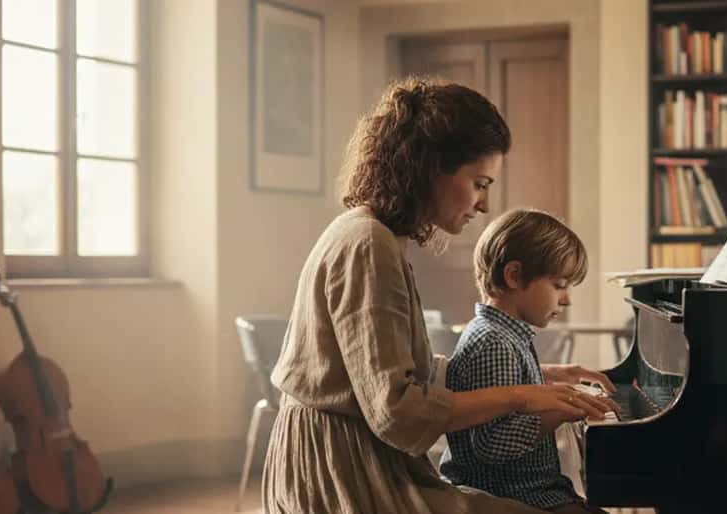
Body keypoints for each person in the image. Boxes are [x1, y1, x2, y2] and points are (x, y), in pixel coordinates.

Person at [261, 77, 618, 514]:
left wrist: (539, 376)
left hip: (356, 452)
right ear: (432, 168)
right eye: (480, 183)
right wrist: (521, 396)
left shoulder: (377, 234)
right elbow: (397, 411)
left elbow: (395, 372)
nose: (485, 204)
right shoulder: (369, 243)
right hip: (340, 471)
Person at [440, 208, 614, 514]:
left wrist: (550, 376)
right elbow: (493, 444)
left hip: (531, 489)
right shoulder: (494, 342)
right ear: (515, 276)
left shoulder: (501, 333)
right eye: (559, 285)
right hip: (512, 496)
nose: (567, 299)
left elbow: (506, 388)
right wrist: (562, 411)